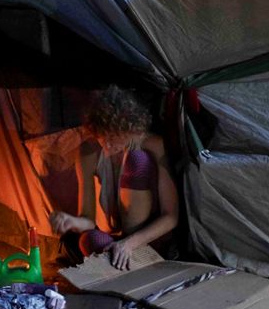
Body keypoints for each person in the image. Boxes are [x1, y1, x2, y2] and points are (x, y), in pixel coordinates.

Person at [48, 86, 179, 271]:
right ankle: (126, 265)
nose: (108, 145)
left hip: (148, 240)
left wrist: (129, 244)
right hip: (116, 239)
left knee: (137, 158)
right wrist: (73, 222)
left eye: (114, 137)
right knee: (89, 239)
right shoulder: (89, 152)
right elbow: (88, 220)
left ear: (129, 130)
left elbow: (171, 216)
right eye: (103, 137)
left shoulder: (154, 145)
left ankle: (132, 260)